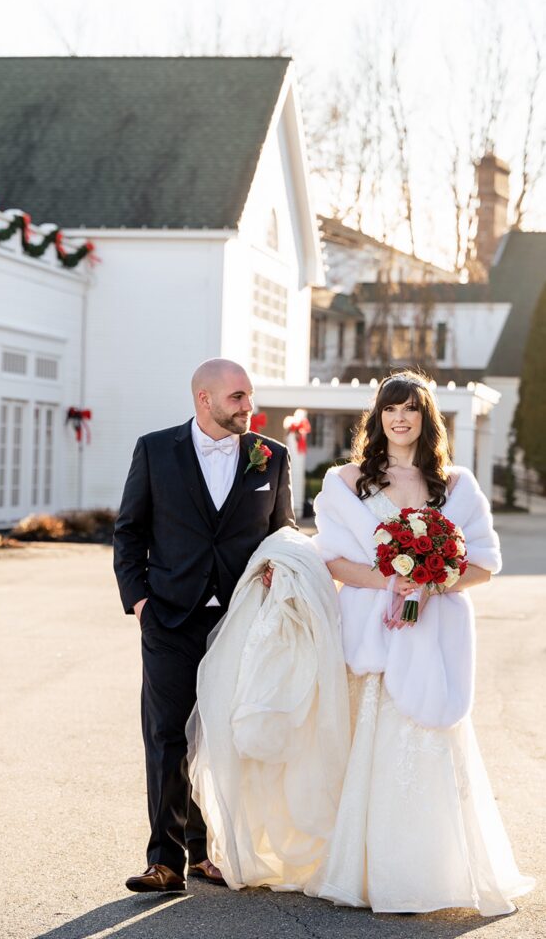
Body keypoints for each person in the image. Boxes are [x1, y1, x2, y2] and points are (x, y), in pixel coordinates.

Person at [189, 370, 533, 915]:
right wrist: (392, 580)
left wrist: (432, 579)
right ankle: (364, 868)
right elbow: (333, 560)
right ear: (378, 418)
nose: (400, 419)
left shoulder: (457, 484)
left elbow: (484, 565)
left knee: (429, 739)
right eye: (391, 409)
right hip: (370, 631)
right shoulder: (347, 483)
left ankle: (432, 872)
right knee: (365, 740)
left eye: (411, 410)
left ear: (426, 419)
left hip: (433, 635)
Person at [113, 358, 295, 894]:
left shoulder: (272, 457)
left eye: (249, 396)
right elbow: (128, 532)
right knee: (168, 735)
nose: (248, 406)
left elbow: (283, 533)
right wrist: (140, 601)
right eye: (237, 397)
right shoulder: (155, 450)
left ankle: (208, 851)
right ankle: (165, 859)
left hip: (242, 620)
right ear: (204, 400)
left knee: (223, 738)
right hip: (169, 616)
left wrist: (278, 580)